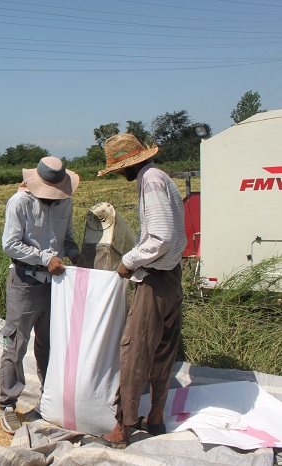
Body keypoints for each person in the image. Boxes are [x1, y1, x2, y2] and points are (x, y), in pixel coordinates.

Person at [98, 133, 187, 448]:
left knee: (135, 351)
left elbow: (159, 237)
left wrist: (129, 261)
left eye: (120, 168)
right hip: (173, 277)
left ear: (129, 164)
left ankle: (124, 427)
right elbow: (173, 235)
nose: (121, 174)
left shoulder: (149, 181)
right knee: (164, 350)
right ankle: (157, 417)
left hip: (154, 280)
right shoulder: (163, 178)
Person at [0, 157, 80, 434]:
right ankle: (7, 403)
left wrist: (79, 254)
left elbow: (67, 238)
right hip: (25, 282)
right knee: (15, 342)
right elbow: (10, 244)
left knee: (50, 343)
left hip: (55, 285)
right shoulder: (19, 202)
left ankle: (49, 398)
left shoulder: (65, 202)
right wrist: (45, 259)